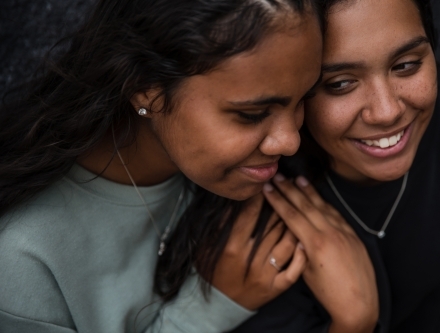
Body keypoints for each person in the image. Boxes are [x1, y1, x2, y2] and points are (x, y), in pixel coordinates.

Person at [0, 0, 327, 332]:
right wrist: (209, 308)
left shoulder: (270, 182)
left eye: (304, 99)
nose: (290, 141)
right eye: (251, 115)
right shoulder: (21, 259)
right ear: (145, 89)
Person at [228, 0, 440, 332]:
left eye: (406, 65)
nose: (386, 112)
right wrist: (354, 322)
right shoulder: (255, 189)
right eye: (340, 84)